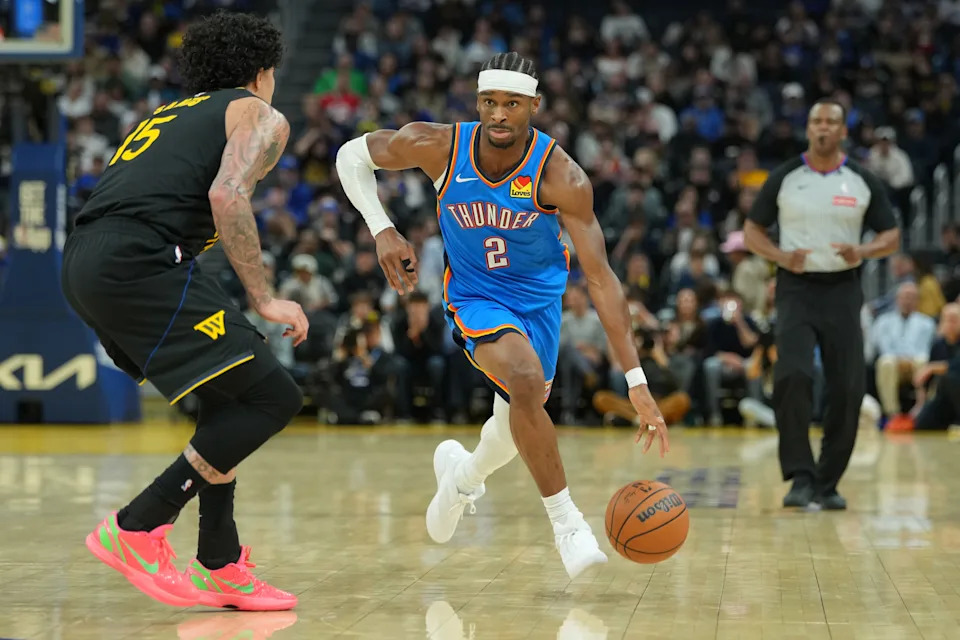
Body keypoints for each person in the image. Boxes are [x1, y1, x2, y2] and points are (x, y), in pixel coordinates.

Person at [336, 51, 668, 579]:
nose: (498, 115)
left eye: (511, 104)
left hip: (538, 306)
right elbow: (351, 155)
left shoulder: (562, 175)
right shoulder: (440, 145)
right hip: (474, 295)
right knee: (524, 380)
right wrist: (381, 226)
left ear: (534, 106)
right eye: (489, 102)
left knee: (510, 426)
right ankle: (566, 524)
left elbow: (602, 279)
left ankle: (462, 478)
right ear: (478, 103)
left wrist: (636, 379)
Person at [60, 12, 308, 610]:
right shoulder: (258, 113)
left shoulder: (168, 114)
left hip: (87, 259)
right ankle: (139, 525)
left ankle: (219, 563)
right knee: (276, 397)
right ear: (263, 71)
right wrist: (264, 297)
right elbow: (228, 194)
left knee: (229, 397)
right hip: (138, 260)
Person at [744, 98, 900, 510]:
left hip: (843, 288)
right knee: (792, 376)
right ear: (808, 128)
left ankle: (828, 481)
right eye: (817, 121)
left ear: (843, 130)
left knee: (848, 388)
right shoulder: (786, 176)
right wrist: (779, 256)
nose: (824, 128)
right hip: (795, 287)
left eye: (832, 121)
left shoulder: (862, 179)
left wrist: (864, 251)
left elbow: (892, 235)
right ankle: (800, 475)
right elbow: (752, 230)